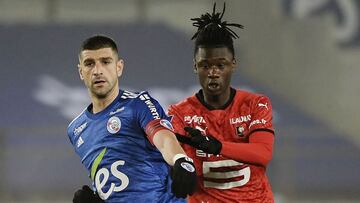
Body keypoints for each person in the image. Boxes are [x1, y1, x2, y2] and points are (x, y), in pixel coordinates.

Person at [67, 35, 196, 203]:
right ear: (81, 72)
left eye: (105, 62)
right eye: (89, 63)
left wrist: (180, 159)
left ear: (119, 67)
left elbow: (163, 138)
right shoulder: (76, 129)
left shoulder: (138, 104)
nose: (97, 70)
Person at [168, 3, 275, 203]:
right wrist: (179, 172)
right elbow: (172, 159)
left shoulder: (255, 104)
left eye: (220, 65)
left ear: (233, 64)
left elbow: (263, 153)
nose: (213, 73)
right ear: (195, 67)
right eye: (205, 65)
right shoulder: (179, 114)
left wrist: (217, 147)